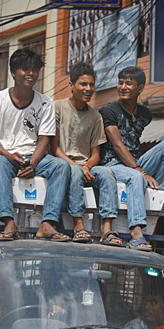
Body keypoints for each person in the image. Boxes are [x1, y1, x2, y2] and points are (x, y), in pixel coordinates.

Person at [0, 47, 71, 242]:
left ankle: (48, 223)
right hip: (7, 157)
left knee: (61, 166)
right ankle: (9, 222)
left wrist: (33, 163)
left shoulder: (45, 103)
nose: (31, 74)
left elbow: (45, 138)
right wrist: (8, 155)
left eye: (35, 70)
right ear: (13, 72)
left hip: (35, 157)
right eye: (25, 69)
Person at [99, 66, 164, 251]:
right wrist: (140, 170)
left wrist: (138, 167)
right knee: (136, 177)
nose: (123, 87)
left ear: (140, 88)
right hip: (112, 164)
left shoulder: (145, 114)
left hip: (133, 163)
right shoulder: (109, 111)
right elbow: (118, 144)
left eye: (129, 83)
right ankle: (136, 233)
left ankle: (161, 196)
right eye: (120, 83)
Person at [51, 62, 122, 246]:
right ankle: (78, 225)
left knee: (107, 173)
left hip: (86, 167)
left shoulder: (96, 116)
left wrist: (87, 166)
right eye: (83, 84)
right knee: (73, 171)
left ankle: (107, 229)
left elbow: (95, 153)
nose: (88, 89)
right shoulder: (57, 108)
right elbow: (54, 148)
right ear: (71, 86)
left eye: (91, 84)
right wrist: (77, 167)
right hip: (63, 164)